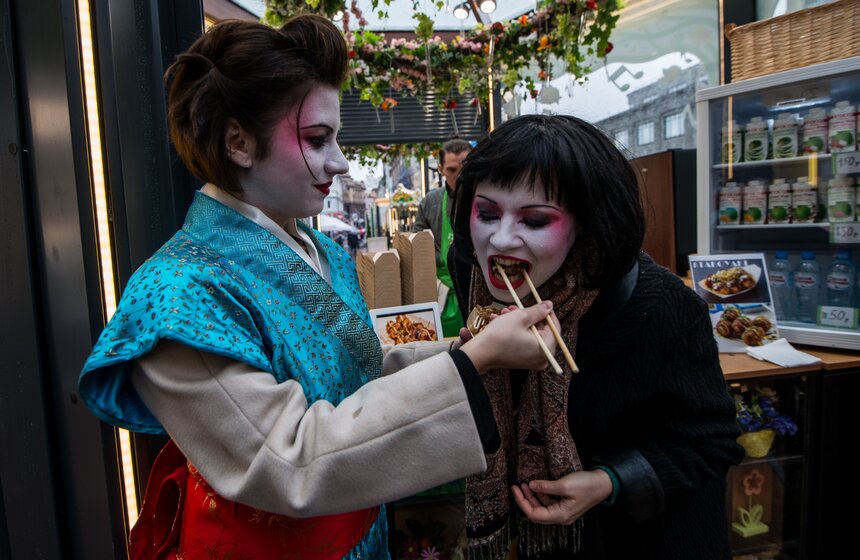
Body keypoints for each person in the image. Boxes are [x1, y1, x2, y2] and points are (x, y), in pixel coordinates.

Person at [76, 16, 560, 559]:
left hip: (361, 534)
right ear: (238, 141)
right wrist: (473, 364)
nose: (340, 160)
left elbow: (357, 369)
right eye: (316, 138)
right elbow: (286, 462)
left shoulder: (319, 250)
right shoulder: (180, 292)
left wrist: (468, 349)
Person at [449, 114, 745, 559]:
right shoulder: (475, 280)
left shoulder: (662, 306)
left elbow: (711, 441)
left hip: (644, 540)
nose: (501, 238)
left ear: (586, 222)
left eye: (534, 221)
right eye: (487, 213)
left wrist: (610, 481)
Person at [413, 138, 472, 337]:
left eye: (465, 168)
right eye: (452, 170)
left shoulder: (485, 201)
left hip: (477, 287)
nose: (460, 176)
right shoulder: (431, 202)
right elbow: (417, 247)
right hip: (442, 293)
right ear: (440, 169)